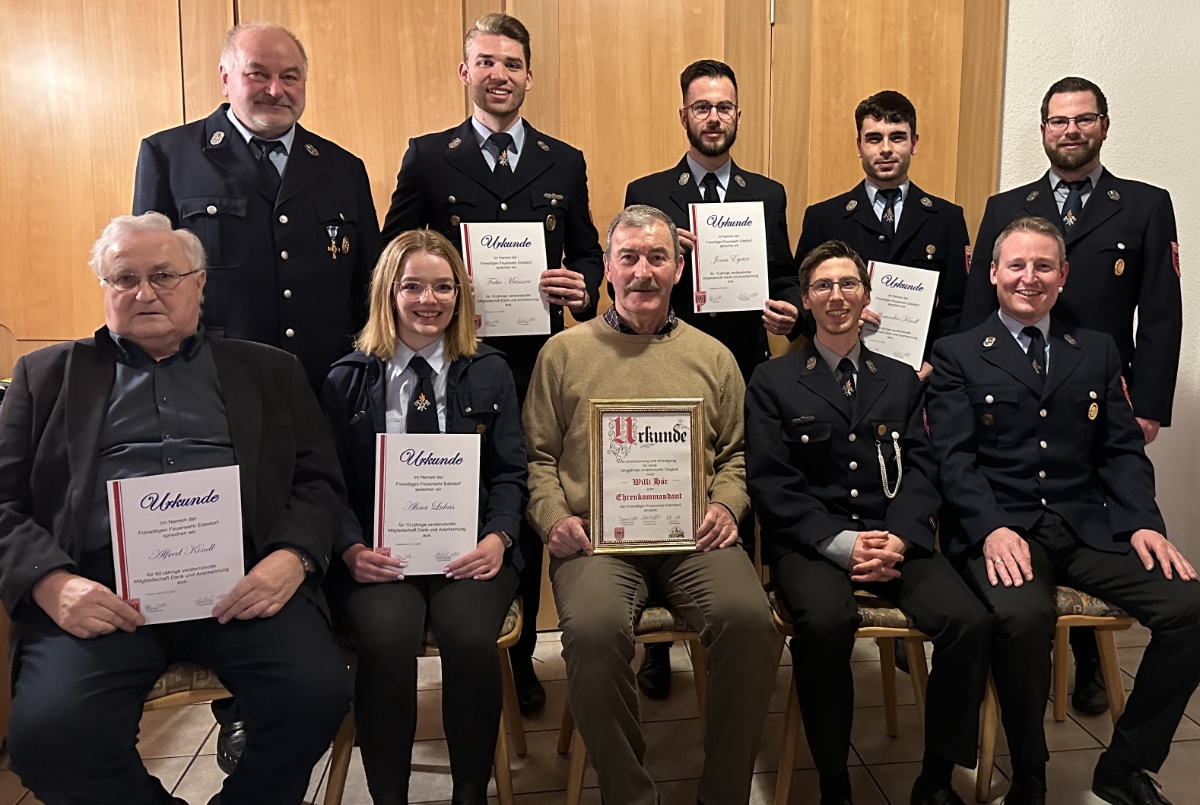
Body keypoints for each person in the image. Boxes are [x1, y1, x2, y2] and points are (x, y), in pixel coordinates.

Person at [0, 212, 352, 805]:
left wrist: (292, 558)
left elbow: (319, 482)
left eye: (163, 275)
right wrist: (51, 583)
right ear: (105, 288)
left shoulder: (271, 371)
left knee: (316, 696)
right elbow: (4, 502)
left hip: (242, 588)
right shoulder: (43, 377)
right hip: (102, 595)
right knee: (48, 738)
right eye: (124, 278)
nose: (144, 293)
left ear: (200, 282)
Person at [928, 216, 1200, 805]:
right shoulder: (957, 355)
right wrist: (990, 527)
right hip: (1001, 528)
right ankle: (1030, 771)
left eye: (1043, 266)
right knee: (1022, 619)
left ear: (1064, 275)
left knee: (1190, 607)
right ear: (993, 273)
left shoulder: (1096, 350)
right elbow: (953, 460)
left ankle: (1125, 765)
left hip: (1084, 525)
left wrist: (1143, 523)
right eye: (1017, 265)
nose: (1029, 277)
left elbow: (1121, 451)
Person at [381, 12, 605, 714]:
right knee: (454, 496)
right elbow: (393, 253)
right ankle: (454, 627)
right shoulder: (428, 156)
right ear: (465, 72)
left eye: (511, 63)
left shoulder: (564, 160)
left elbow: (588, 250)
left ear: (529, 75)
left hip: (537, 368)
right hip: (450, 369)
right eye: (485, 61)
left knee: (528, 503)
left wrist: (582, 285)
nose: (498, 74)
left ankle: (521, 653)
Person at [523, 204, 776, 805]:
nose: (643, 271)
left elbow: (738, 456)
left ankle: (723, 794)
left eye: (658, 257)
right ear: (608, 268)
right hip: (596, 541)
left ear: (679, 269)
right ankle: (631, 795)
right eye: (629, 257)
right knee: (592, 631)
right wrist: (554, 518)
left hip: (695, 538)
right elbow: (536, 458)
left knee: (751, 622)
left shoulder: (715, 357)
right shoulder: (562, 353)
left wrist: (727, 505)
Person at [959, 78, 1182, 714]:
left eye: (1084, 119)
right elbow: (977, 311)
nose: (1071, 130)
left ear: (1104, 126)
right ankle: (1026, 657)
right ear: (1043, 130)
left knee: (1091, 520)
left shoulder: (1143, 205)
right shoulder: (1008, 206)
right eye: (1059, 121)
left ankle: (1087, 663)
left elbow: (1160, 312)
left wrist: (1147, 405)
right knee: (1034, 511)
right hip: (1012, 391)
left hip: (1101, 400)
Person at [746, 239, 990, 805]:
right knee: (827, 623)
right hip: (811, 542)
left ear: (866, 294)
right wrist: (843, 543)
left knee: (970, 621)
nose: (837, 296)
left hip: (893, 533)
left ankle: (936, 779)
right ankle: (834, 779)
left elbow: (923, 468)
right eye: (823, 286)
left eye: (848, 284)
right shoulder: (772, 380)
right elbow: (771, 481)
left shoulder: (902, 379)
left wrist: (899, 538)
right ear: (806, 299)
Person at [319, 230, 527, 805]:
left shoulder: (490, 371)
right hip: (379, 555)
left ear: (460, 295)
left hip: (472, 548)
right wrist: (350, 549)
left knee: (469, 635)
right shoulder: (346, 379)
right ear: (388, 293)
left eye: (443, 287)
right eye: (412, 286)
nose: (428, 300)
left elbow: (512, 471)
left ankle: (470, 793)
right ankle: (389, 795)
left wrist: (498, 536)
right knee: (386, 639)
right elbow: (326, 484)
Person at [621, 57, 798, 699]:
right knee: (661, 485)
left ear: (738, 115)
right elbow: (627, 281)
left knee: (735, 489)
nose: (714, 117)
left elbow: (784, 273)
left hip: (744, 365)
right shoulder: (648, 192)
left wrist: (790, 308)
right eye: (702, 106)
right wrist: (663, 257)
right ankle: (656, 649)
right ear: (684, 115)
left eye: (724, 106)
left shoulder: (768, 194)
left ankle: (732, 631)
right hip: (664, 365)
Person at [133, 22, 381, 393]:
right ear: (225, 78)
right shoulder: (169, 157)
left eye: (290, 77)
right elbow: (147, 283)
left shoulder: (344, 168)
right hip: (212, 381)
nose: (276, 90)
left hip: (326, 384)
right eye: (258, 74)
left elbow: (369, 285)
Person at [793, 90, 970, 380]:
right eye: (874, 139)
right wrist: (835, 325)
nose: (886, 149)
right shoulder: (824, 218)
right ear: (859, 145)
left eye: (897, 137)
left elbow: (958, 307)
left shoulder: (947, 219)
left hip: (921, 377)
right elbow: (801, 292)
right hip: (839, 371)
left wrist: (936, 363)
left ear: (914, 143)